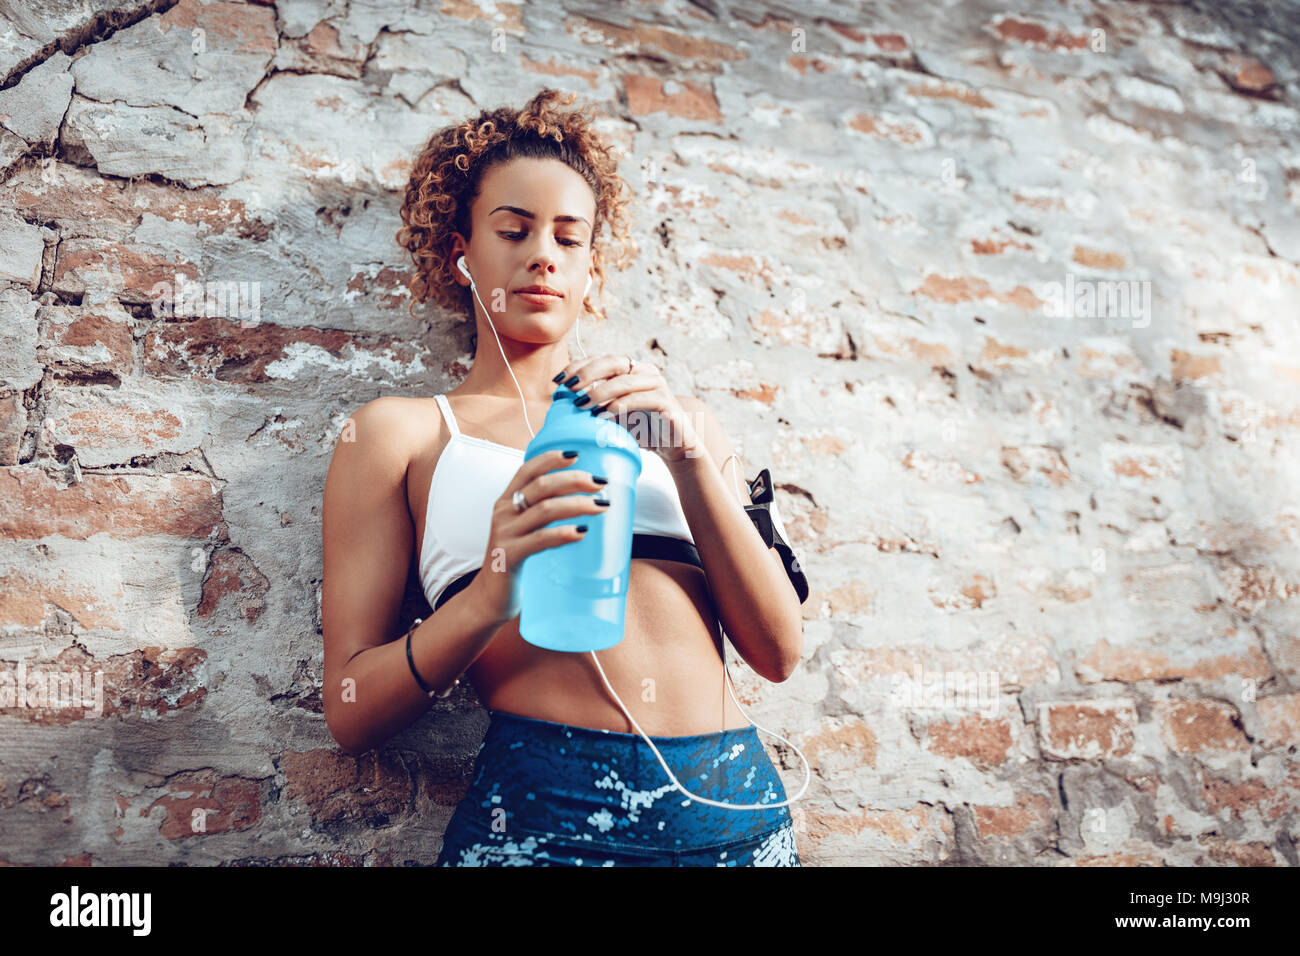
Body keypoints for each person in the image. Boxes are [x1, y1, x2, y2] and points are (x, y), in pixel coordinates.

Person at [321, 89, 808, 866]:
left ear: (589, 268)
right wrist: (489, 591)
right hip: (546, 823)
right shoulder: (402, 434)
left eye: (569, 238)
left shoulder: (681, 424)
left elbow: (779, 654)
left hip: (740, 816)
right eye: (513, 230)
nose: (542, 254)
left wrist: (685, 457)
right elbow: (350, 711)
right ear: (462, 252)